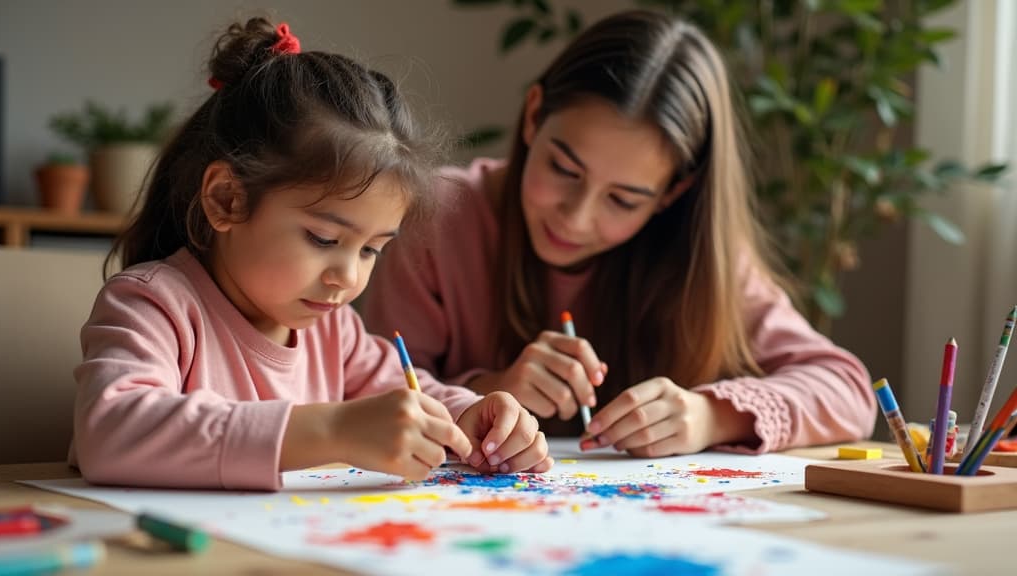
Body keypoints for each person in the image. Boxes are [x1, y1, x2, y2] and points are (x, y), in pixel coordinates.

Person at [364, 10, 876, 457]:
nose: (576, 217)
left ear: (672, 193)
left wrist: (710, 416)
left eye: (623, 200)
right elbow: (371, 388)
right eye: (564, 169)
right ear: (534, 116)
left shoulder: (697, 253)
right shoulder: (440, 215)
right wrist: (491, 391)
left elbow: (848, 387)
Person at [71, 18, 551, 491]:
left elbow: (409, 397)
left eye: (371, 250)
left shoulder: (333, 331)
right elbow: (110, 431)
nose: (347, 277)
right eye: (324, 240)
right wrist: (331, 431)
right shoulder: (152, 305)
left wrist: (472, 414)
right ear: (226, 200)